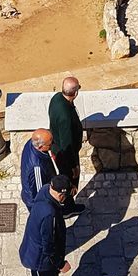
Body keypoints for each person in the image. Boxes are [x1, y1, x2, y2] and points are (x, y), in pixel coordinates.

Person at [3, 175, 71, 276]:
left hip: (36, 253)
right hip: (40, 260)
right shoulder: (50, 214)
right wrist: (60, 264)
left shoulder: (45, 190)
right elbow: (48, 245)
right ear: (61, 194)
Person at [48, 76, 86, 214]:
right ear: (75, 93)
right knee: (69, 181)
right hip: (65, 156)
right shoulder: (65, 117)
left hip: (57, 148)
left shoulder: (56, 98)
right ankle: (68, 208)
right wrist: (74, 166)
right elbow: (67, 144)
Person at [19, 128, 56, 211]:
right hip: (36, 203)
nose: (52, 145)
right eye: (50, 144)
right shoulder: (37, 167)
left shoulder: (31, 143)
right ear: (40, 147)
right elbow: (40, 193)